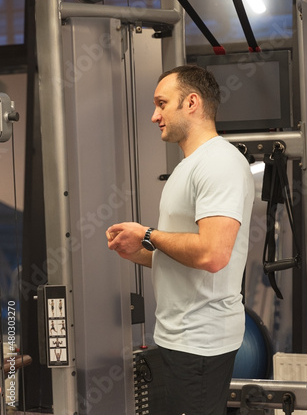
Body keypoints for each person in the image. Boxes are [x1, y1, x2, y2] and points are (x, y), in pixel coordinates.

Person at [106, 64, 255, 415]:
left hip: (200, 343)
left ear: (191, 102)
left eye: (162, 103)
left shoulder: (219, 163)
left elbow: (213, 255)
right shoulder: (190, 165)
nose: (155, 115)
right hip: (178, 340)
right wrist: (142, 252)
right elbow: (188, 254)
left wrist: (147, 234)